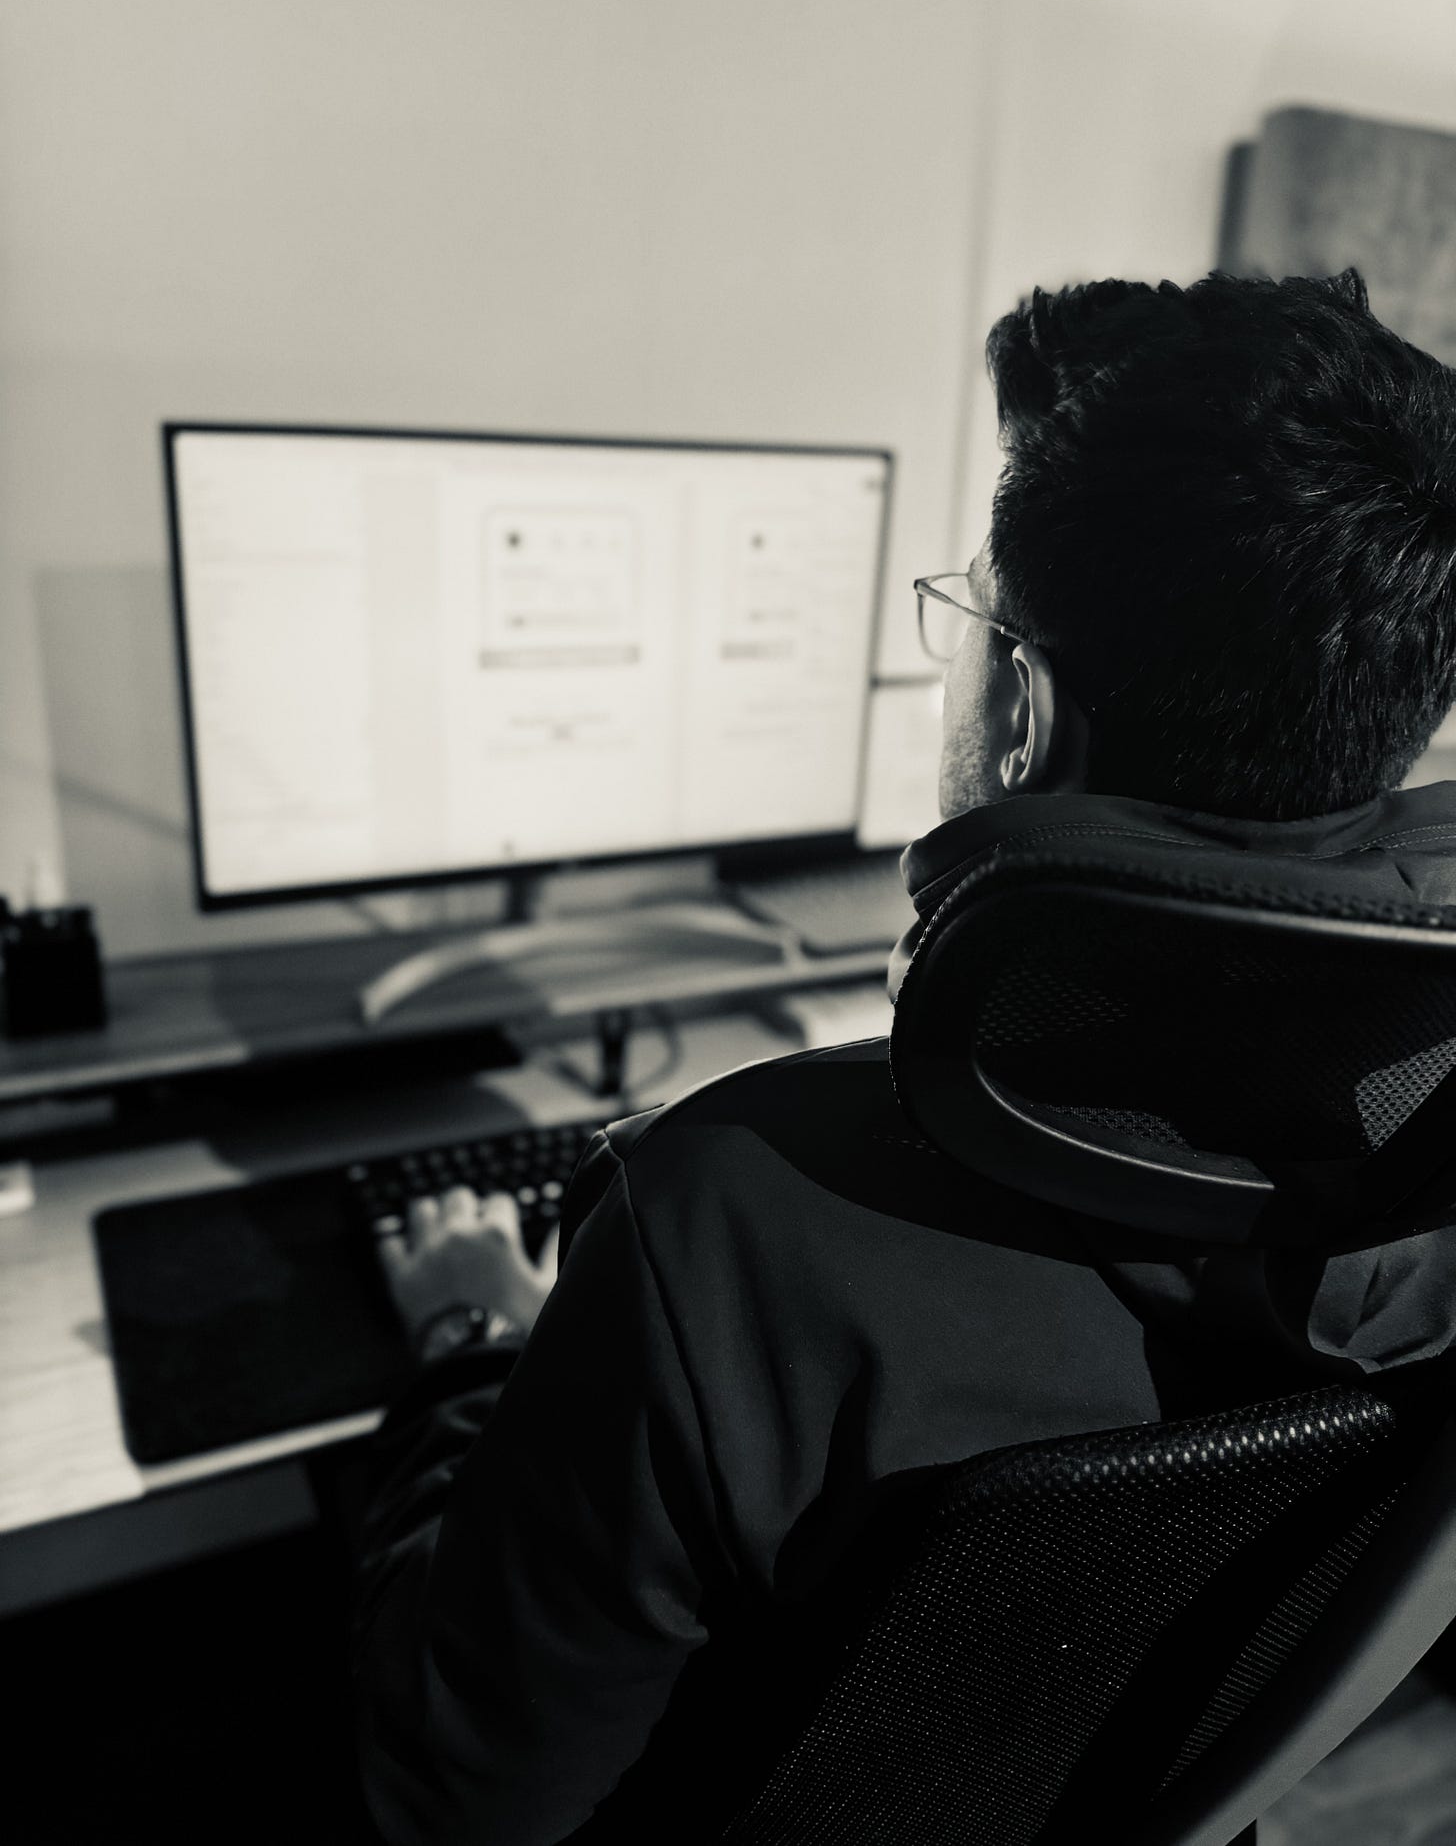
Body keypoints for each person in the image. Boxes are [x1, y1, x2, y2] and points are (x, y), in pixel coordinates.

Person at [353, 268, 1456, 1844]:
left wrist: (473, 1342)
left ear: (1018, 707)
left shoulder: (736, 1213)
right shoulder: (1427, 1132)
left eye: (966, 610)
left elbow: (459, 1798)